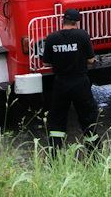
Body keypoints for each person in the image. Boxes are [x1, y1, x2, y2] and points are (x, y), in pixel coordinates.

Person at [42, 9, 99, 150]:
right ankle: (94, 155)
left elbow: (46, 63)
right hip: (80, 83)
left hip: (61, 83)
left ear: (63, 21)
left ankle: (55, 155)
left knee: (57, 119)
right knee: (88, 117)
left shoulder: (51, 38)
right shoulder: (82, 35)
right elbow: (91, 59)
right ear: (76, 22)